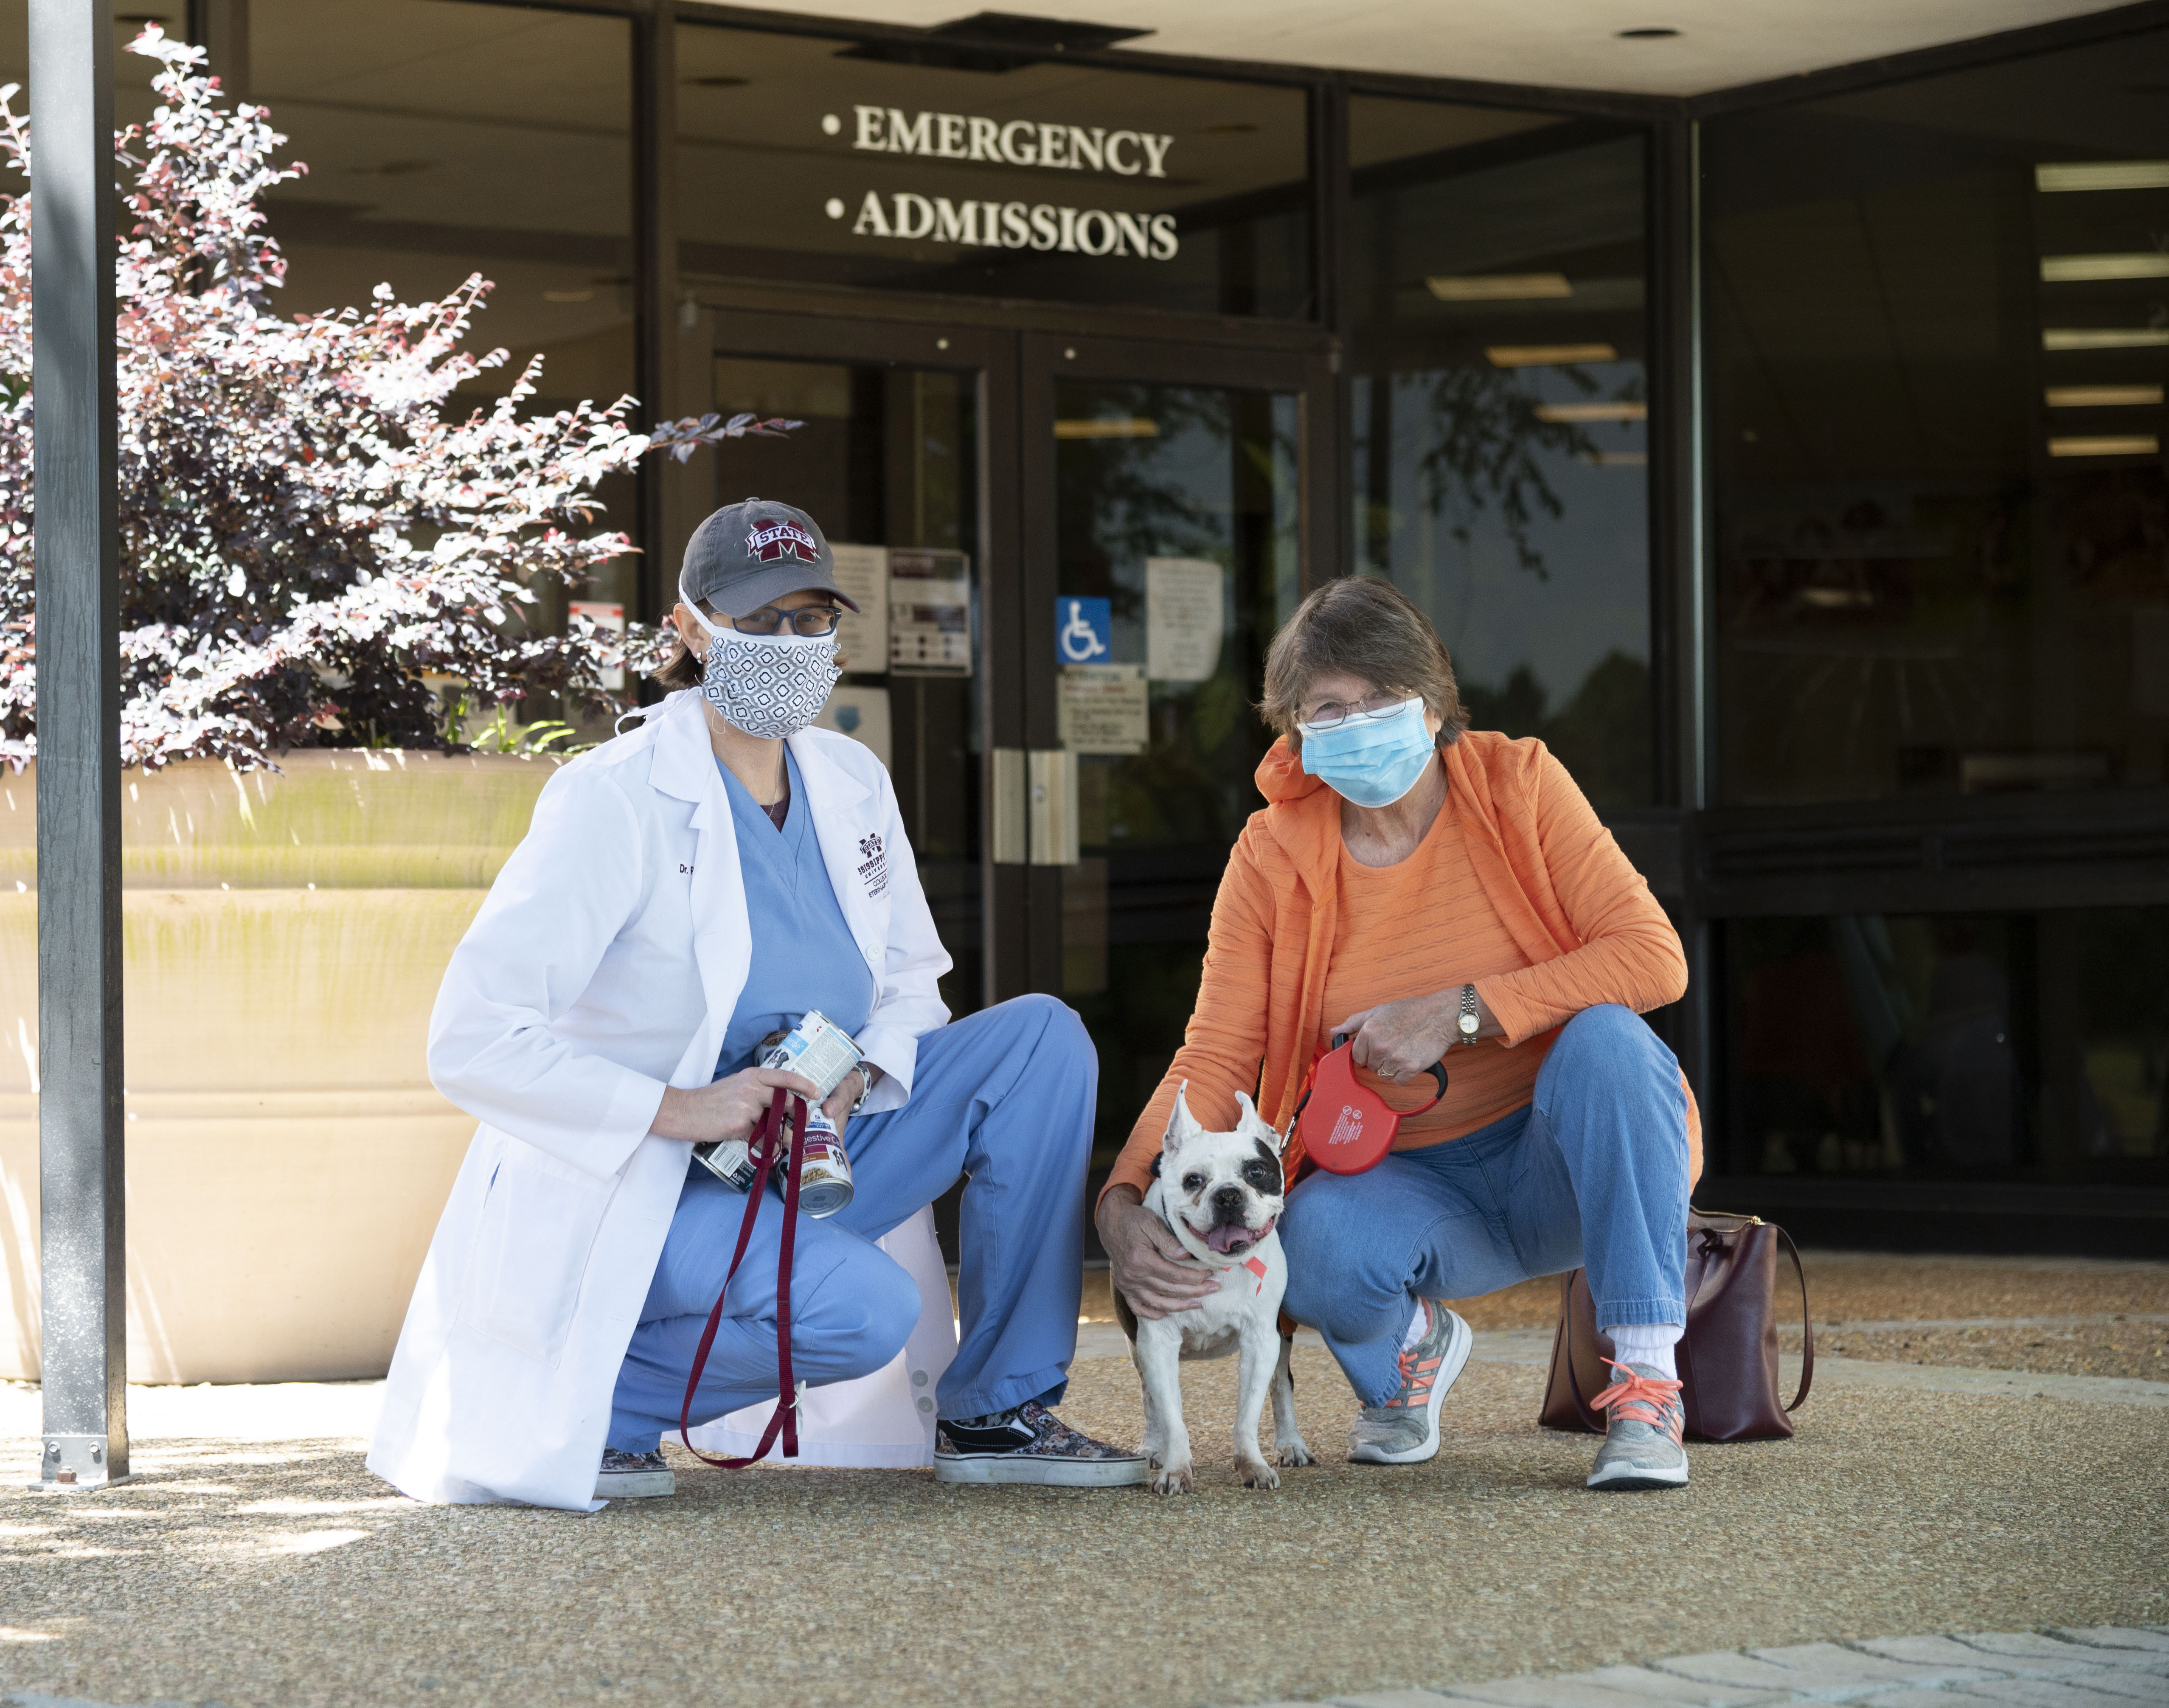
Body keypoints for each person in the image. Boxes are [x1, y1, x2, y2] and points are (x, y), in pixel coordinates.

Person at [368, 498, 1145, 1510]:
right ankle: (603, 1402)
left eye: (810, 619)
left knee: (1042, 1037)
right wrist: (684, 1108)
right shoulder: (615, 797)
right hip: (659, 1178)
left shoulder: (852, 778)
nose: (788, 642)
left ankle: (997, 1406)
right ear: (690, 629)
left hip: (815, 1144)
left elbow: (913, 981)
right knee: (866, 1310)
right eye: (757, 618)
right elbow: (472, 1037)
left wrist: (859, 1072)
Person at [1094, 577, 1701, 1493]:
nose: (1361, 721)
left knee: (1610, 1041)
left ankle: (1648, 1381)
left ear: (1434, 700)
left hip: (1559, 1159)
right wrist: (1125, 1195)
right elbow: (1216, 1051)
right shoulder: (1270, 853)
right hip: (1403, 1182)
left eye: (1382, 698)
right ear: (1295, 728)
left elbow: (1654, 958)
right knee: (1307, 1242)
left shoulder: (1519, 781)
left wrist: (1459, 1010)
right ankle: (1413, 1353)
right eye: (1330, 707)